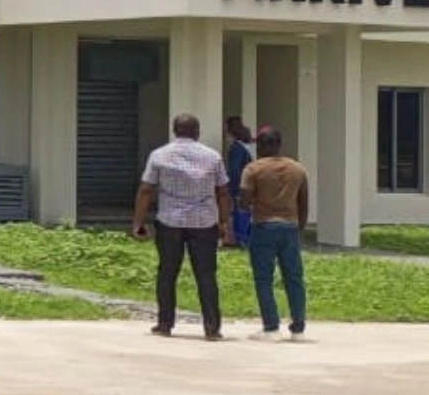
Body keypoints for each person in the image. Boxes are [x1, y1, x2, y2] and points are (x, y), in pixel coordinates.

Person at [132, 113, 235, 339]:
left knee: (167, 272)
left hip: (170, 221)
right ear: (197, 132)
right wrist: (224, 222)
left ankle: (165, 324)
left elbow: (146, 190)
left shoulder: (159, 155)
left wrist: (138, 222)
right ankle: (212, 327)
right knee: (206, 275)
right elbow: (223, 191)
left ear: (174, 131)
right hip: (204, 222)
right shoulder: (212, 157)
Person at [239, 124, 310, 338]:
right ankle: (298, 327)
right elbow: (304, 203)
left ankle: (271, 326)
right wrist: (300, 227)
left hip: (264, 225)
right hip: (290, 226)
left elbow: (244, 201)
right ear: (279, 144)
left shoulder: (253, 169)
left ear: (260, 145)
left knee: (264, 278)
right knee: (294, 277)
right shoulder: (298, 169)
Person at [223, 116, 255, 248]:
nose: (246, 131)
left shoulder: (244, 148)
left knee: (245, 213)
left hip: (245, 188)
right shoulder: (237, 149)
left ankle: (243, 238)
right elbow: (235, 171)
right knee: (242, 212)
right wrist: (236, 190)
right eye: (240, 127)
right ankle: (242, 239)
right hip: (240, 188)